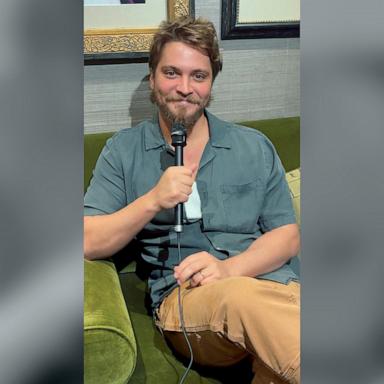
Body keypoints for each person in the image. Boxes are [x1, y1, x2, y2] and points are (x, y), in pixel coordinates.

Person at [84, 16, 300, 384]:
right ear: (152, 78)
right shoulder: (123, 151)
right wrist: (152, 200)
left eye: (198, 76)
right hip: (189, 300)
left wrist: (231, 268)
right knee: (239, 298)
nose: (185, 87)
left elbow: (287, 235)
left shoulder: (252, 145)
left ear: (211, 83)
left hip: (275, 286)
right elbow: (88, 240)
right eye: (172, 73)